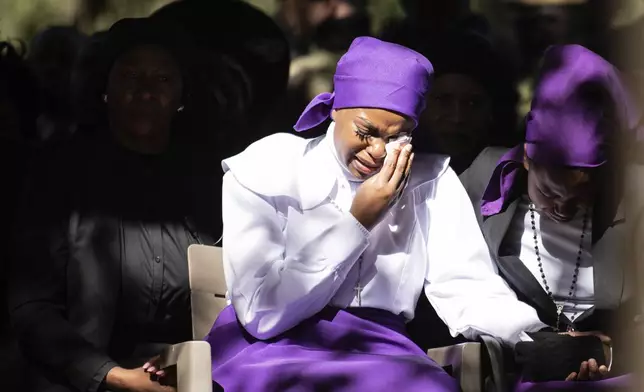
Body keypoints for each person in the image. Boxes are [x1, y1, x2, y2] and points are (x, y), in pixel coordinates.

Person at [185, 36, 547, 392]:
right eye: (366, 131)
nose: (378, 151)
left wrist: (537, 338)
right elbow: (261, 314)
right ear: (334, 110)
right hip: (267, 352)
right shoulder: (268, 166)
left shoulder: (429, 178)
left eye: (398, 137)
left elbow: (468, 288)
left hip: (383, 354)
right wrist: (356, 221)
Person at [8, 18, 221, 392]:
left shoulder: (211, 183)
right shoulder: (58, 174)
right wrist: (111, 376)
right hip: (82, 380)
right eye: (130, 76)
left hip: (194, 378)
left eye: (163, 80)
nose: (145, 91)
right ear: (104, 88)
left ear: (183, 98)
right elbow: (32, 308)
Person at [461, 44, 640, 391]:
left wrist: (607, 352)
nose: (562, 209)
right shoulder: (483, 176)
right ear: (527, 157)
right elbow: (462, 281)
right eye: (550, 194)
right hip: (515, 364)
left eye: (580, 197)